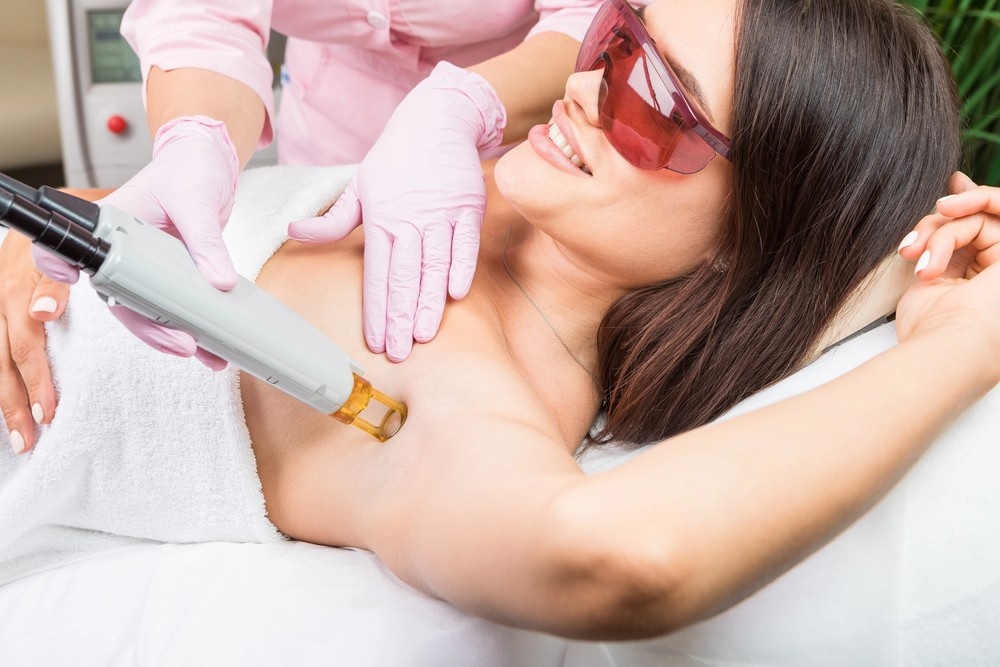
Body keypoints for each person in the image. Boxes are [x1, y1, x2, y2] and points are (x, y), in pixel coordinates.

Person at [0, 0, 998, 640]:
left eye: (656, 104)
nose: (581, 88)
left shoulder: (452, 381)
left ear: (750, 239)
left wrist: (961, 341)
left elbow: (625, 559)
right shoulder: (465, 191)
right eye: (618, 38)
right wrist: (61, 225)